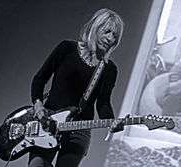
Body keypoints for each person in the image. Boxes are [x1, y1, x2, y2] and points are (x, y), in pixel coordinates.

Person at [29, 8, 124, 167]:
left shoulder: (109, 69)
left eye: (115, 36)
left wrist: (111, 122)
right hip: (49, 122)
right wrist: (39, 107)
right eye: (107, 31)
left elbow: (103, 103)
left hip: (78, 129)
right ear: (95, 27)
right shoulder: (66, 48)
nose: (110, 38)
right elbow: (39, 79)